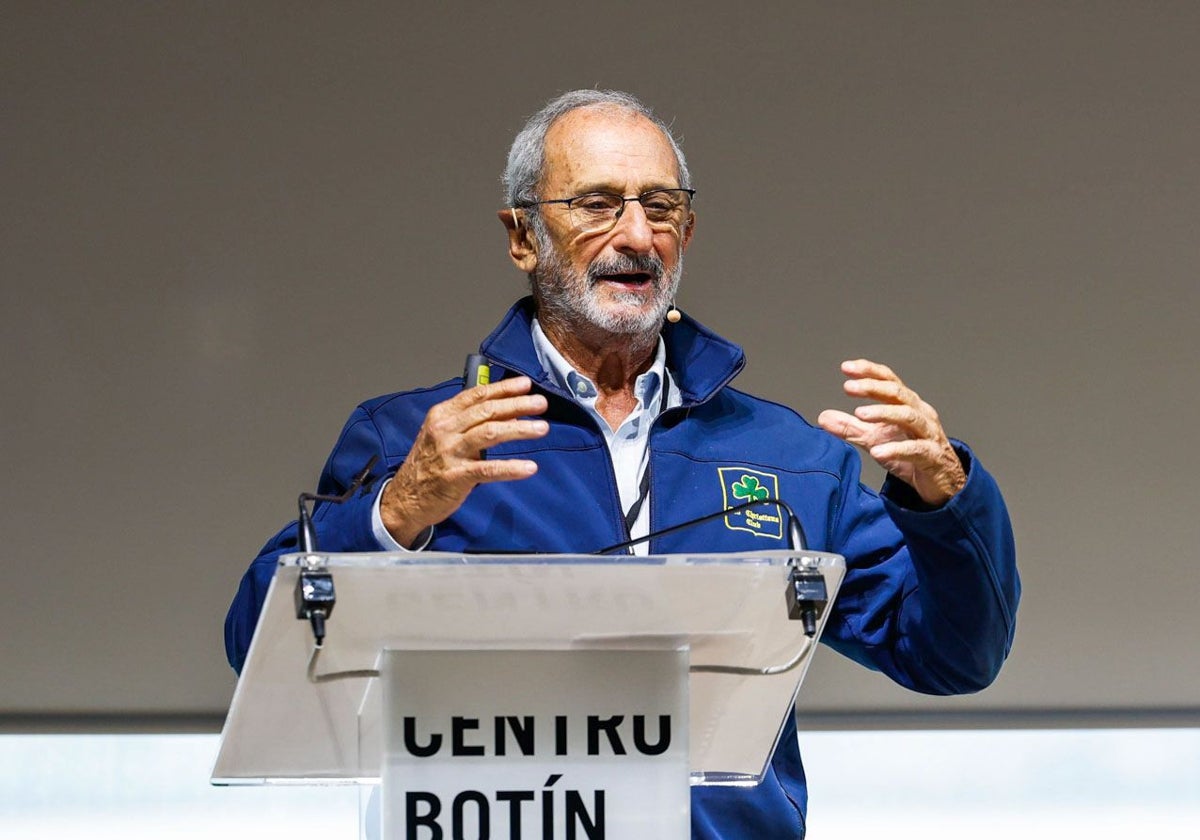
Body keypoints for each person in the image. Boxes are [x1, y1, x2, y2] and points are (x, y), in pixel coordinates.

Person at [225, 89, 1020, 839]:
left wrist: (946, 498)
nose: (637, 235)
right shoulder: (418, 442)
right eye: (598, 204)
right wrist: (393, 515)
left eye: (661, 207)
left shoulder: (791, 460)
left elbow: (954, 655)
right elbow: (256, 645)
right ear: (521, 236)